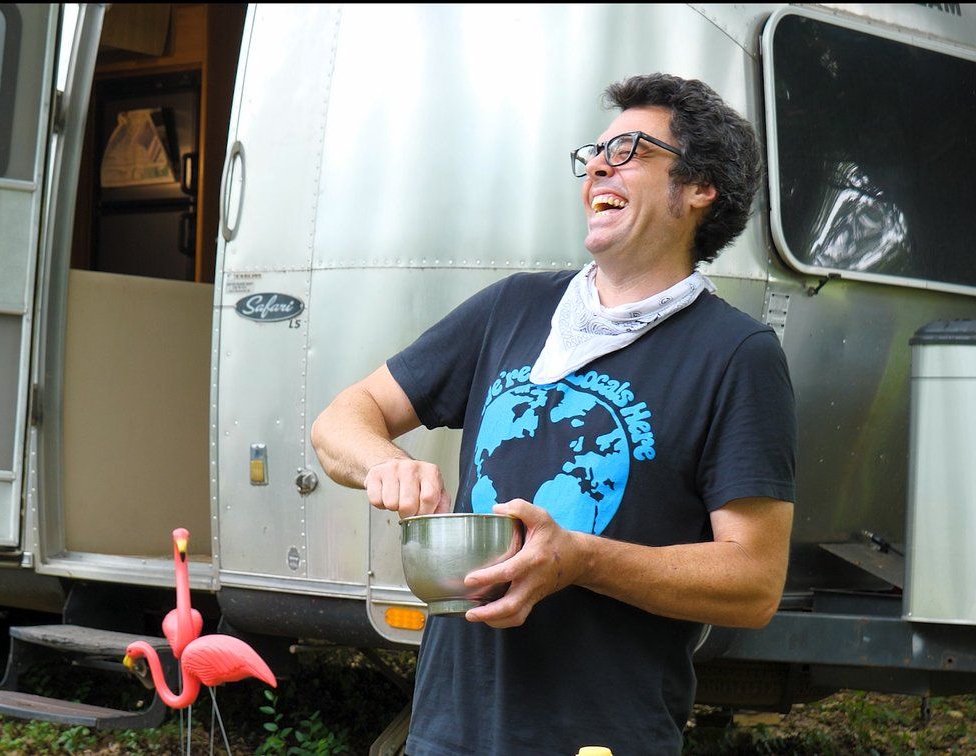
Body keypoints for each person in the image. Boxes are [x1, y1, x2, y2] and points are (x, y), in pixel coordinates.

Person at [311, 73, 795, 755]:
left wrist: (580, 559)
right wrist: (385, 462)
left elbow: (754, 584)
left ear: (699, 188)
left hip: (599, 739)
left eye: (630, 150)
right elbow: (340, 421)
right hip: (447, 732)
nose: (598, 164)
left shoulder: (736, 355)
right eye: (593, 155)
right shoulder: (514, 309)